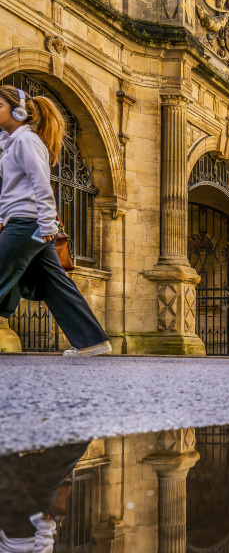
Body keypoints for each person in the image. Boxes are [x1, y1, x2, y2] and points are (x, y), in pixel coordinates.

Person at [0, 86, 111, 357]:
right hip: (27, 224)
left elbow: (41, 186)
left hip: (29, 225)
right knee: (54, 283)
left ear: (18, 111)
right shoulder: (14, 142)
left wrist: (48, 225)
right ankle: (92, 342)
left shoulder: (27, 142)